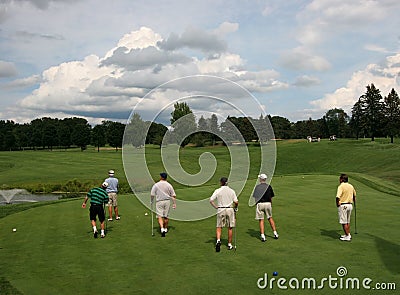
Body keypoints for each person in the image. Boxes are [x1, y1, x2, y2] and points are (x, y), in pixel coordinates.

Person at [209, 177, 238, 252]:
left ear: (221, 182)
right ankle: (229, 244)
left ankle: (218, 240)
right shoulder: (231, 191)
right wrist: (236, 208)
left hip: (221, 209)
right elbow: (236, 202)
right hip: (229, 209)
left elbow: (211, 200)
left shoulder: (218, 190)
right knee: (230, 227)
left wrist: (215, 206)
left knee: (219, 226)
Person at [252, 173, 279, 242]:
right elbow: (271, 197)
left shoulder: (257, 187)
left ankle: (263, 236)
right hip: (268, 204)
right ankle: (275, 233)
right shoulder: (269, 186)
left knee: (261, 220)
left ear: (261, 179)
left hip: (260, 204)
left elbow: (255, 197)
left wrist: (256, 204)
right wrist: (270, 204)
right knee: (270, 218)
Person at [150, 172, 177, 237]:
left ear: (161, 177)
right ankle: (165, 228)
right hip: (167, 202)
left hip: (159, 202)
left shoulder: (156, 185)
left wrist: (151, 201)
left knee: (159, 216)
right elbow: (173, 195)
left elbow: (152, 194)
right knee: (166, 216)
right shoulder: (169, 185)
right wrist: (174, 203)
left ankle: (162, 228)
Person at [336, 173, 356, 241]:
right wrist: (354, 201)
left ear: (342, 179)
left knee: (344, 222)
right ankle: (347, 234)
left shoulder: (341, 186)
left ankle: (347, 236)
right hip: (350, 205)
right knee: (347, 221)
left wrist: (337, 204)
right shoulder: (351, 186)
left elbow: (338, 196)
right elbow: (354, 195)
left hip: (343, 205)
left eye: (340, 179)